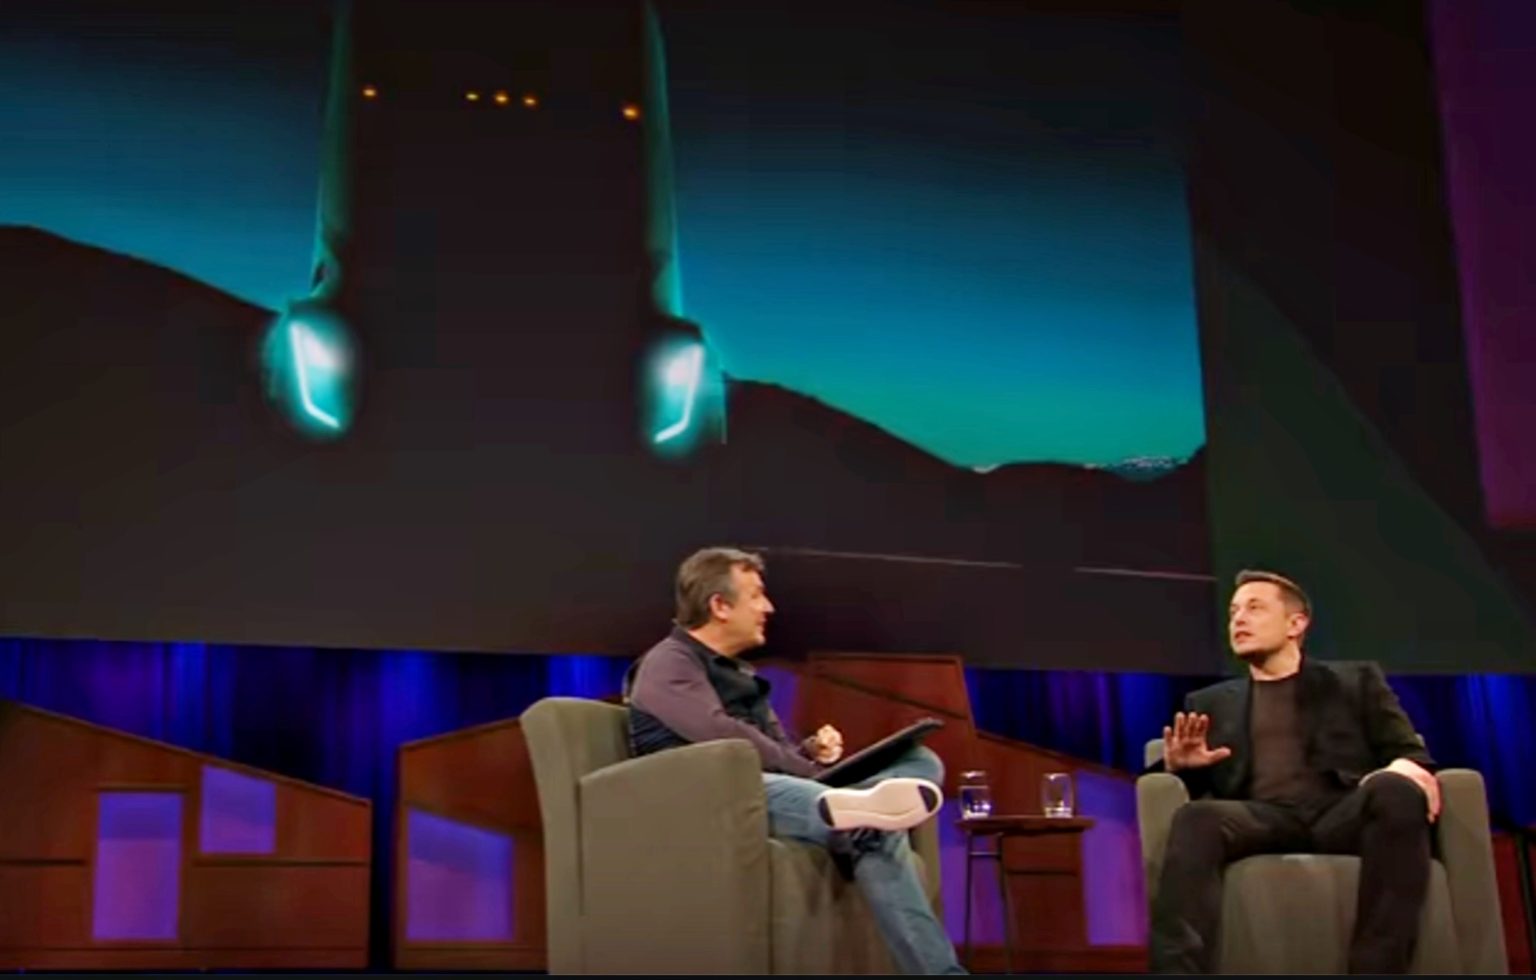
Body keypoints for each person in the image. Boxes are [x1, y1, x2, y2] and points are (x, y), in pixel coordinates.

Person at [624, 546, 966, 975]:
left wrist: (809, 753)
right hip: (718, 796)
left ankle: (855, 806)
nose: (768, 607)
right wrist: (811, 773)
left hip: (778, 788)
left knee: (920, 759)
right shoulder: (667, 662)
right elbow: (722, 736)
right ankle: (856, 807)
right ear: (720, 606)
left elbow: (775, 750)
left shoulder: (738, 673)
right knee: (872, 828)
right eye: (756, 595)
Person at [1148, 569, 1439, 974]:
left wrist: (1400, 772)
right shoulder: (1209, 702)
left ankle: (1376, 967)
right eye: (1233, 612)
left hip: (1341, 813)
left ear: (1295, 624)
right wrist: (1180, 767)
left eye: (1254, 608)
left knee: (1397, 789)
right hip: (1262, 819)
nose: (1239, 619)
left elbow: (1408, 752)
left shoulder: (1352, 681)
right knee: (1197, 818)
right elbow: (1186, 782)